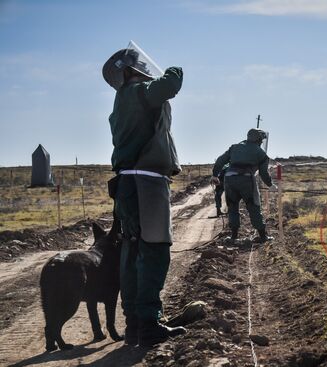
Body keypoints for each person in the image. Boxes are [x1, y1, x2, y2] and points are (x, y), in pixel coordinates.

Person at [102, 41, 185, 347]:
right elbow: (171, 83)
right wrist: (175, 69)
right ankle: (149, 323)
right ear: (135, 70)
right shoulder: (139, 92)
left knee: (132, 251)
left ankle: (135, 325)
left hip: (127, 183)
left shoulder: (120, 103)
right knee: (154, 251)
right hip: (147, 183)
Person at [211, 128, 276, 243]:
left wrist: (215, 175)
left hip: (229, 179)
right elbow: (263, 173)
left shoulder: (234, 147)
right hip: (246, 180)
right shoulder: (261, 153)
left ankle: (234, 237)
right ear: (259, 139)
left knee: (232, 207)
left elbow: (220, 160)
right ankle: (262, 236)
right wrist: (270, 184)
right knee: (253, 206)